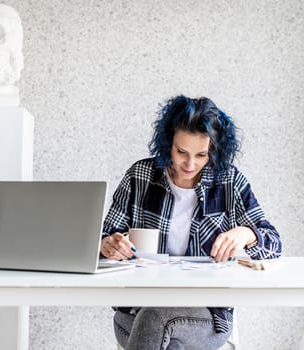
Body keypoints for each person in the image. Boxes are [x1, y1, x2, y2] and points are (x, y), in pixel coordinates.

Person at [100, 95, 282, 350]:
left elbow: (273, 243)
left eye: (201, 155)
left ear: (214, 151)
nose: (190, 163)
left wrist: (246, 234)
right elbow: (104, 237)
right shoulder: (139, 176)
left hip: (205, 315)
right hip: (135, 309)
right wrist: (108, 244)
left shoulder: (229, 181)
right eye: (181, 152)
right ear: (167, 144)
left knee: (157, 317)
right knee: (162, 332)